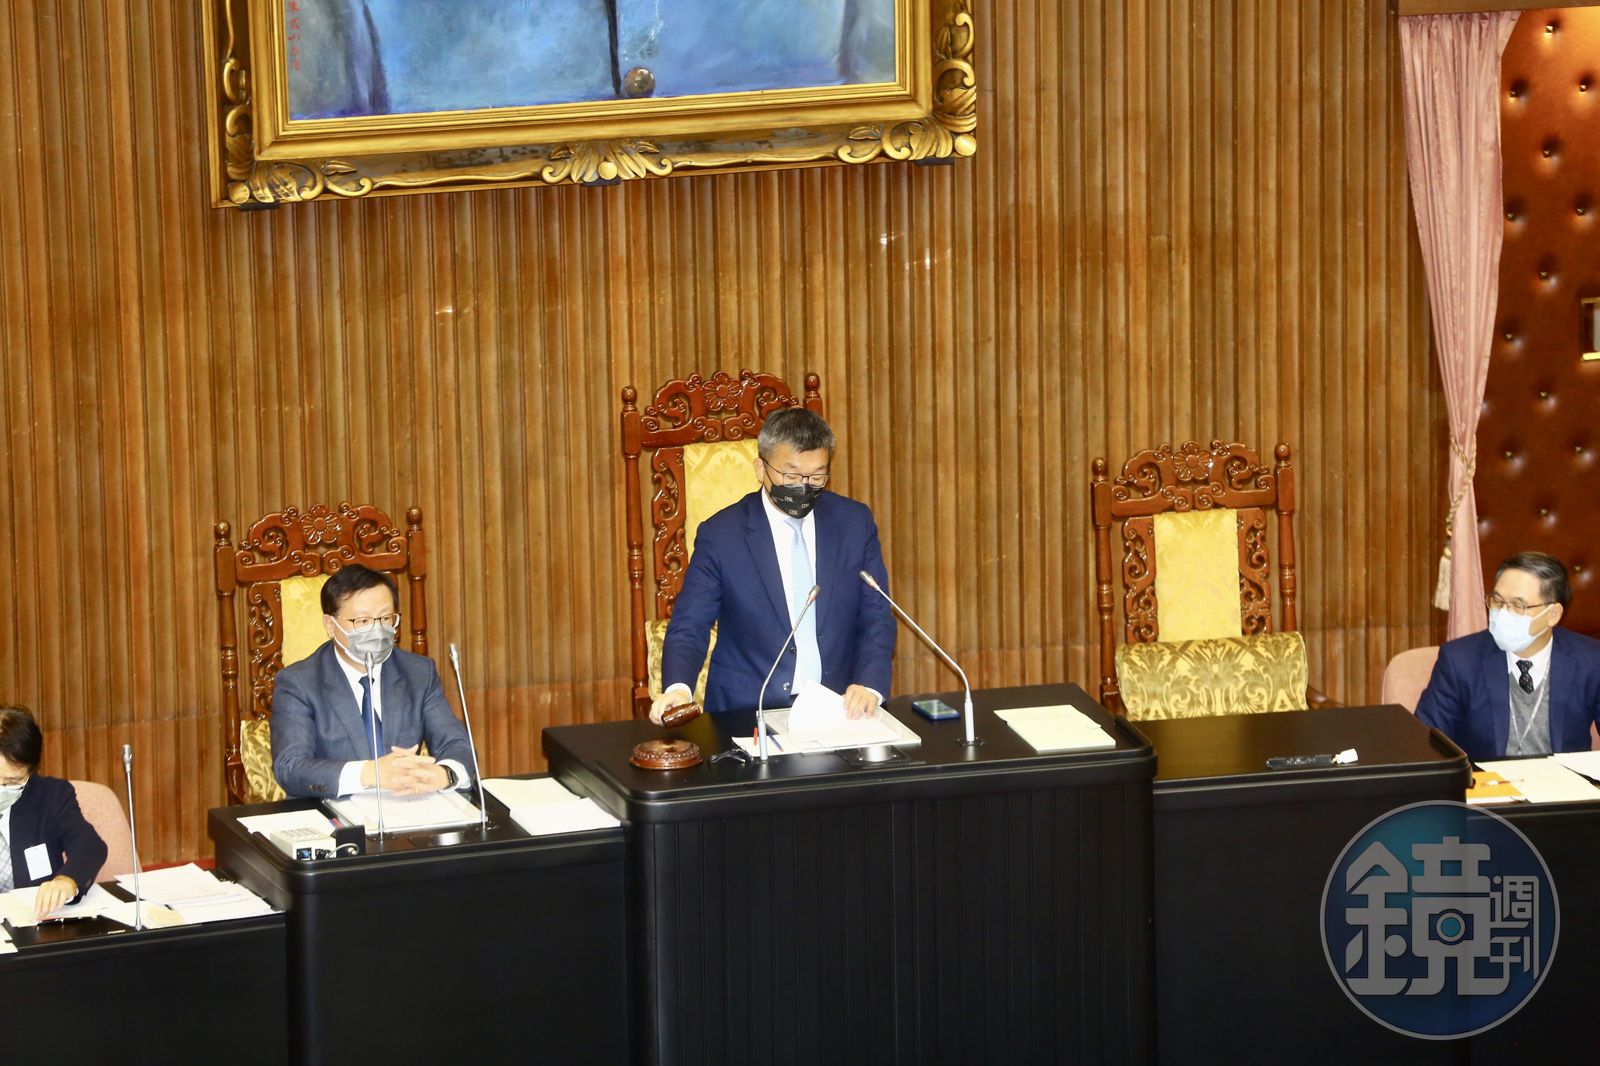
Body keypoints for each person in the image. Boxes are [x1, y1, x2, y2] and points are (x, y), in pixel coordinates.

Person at [651, 407, 895, 722]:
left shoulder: (854, 523)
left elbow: (877, 615)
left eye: (817, 477)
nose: (804, 487)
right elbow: (690, 623)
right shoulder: (722, 535)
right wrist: (678, 687)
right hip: (745, 711)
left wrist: (870, 684)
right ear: (760, 468)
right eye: (791, 476)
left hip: (838, 710)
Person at [271, 564, 474, 798]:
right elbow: (290, 767)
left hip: (406, 807)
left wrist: (444, 774)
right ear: (330, 625)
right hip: (332, 811)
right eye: (363, 621)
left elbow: (457, 745)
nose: (377, 630)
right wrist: (369, 773)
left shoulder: (418, 673)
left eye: (386, 618)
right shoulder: (299, 683)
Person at [1416, 551, 1600, 762]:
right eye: (1497, 601)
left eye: (1518, 605)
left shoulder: (1590, 660)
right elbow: (1425, 744)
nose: (1502, 613)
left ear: (1553, 614)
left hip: (1564, 781)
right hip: (1485, 781)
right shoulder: (1460, 660)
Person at [0, 705, 107, 918]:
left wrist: (67, 880)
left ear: (30, 771)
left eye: (11, 781)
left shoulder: (51, 796)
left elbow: (89, 845)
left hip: (33, 923)